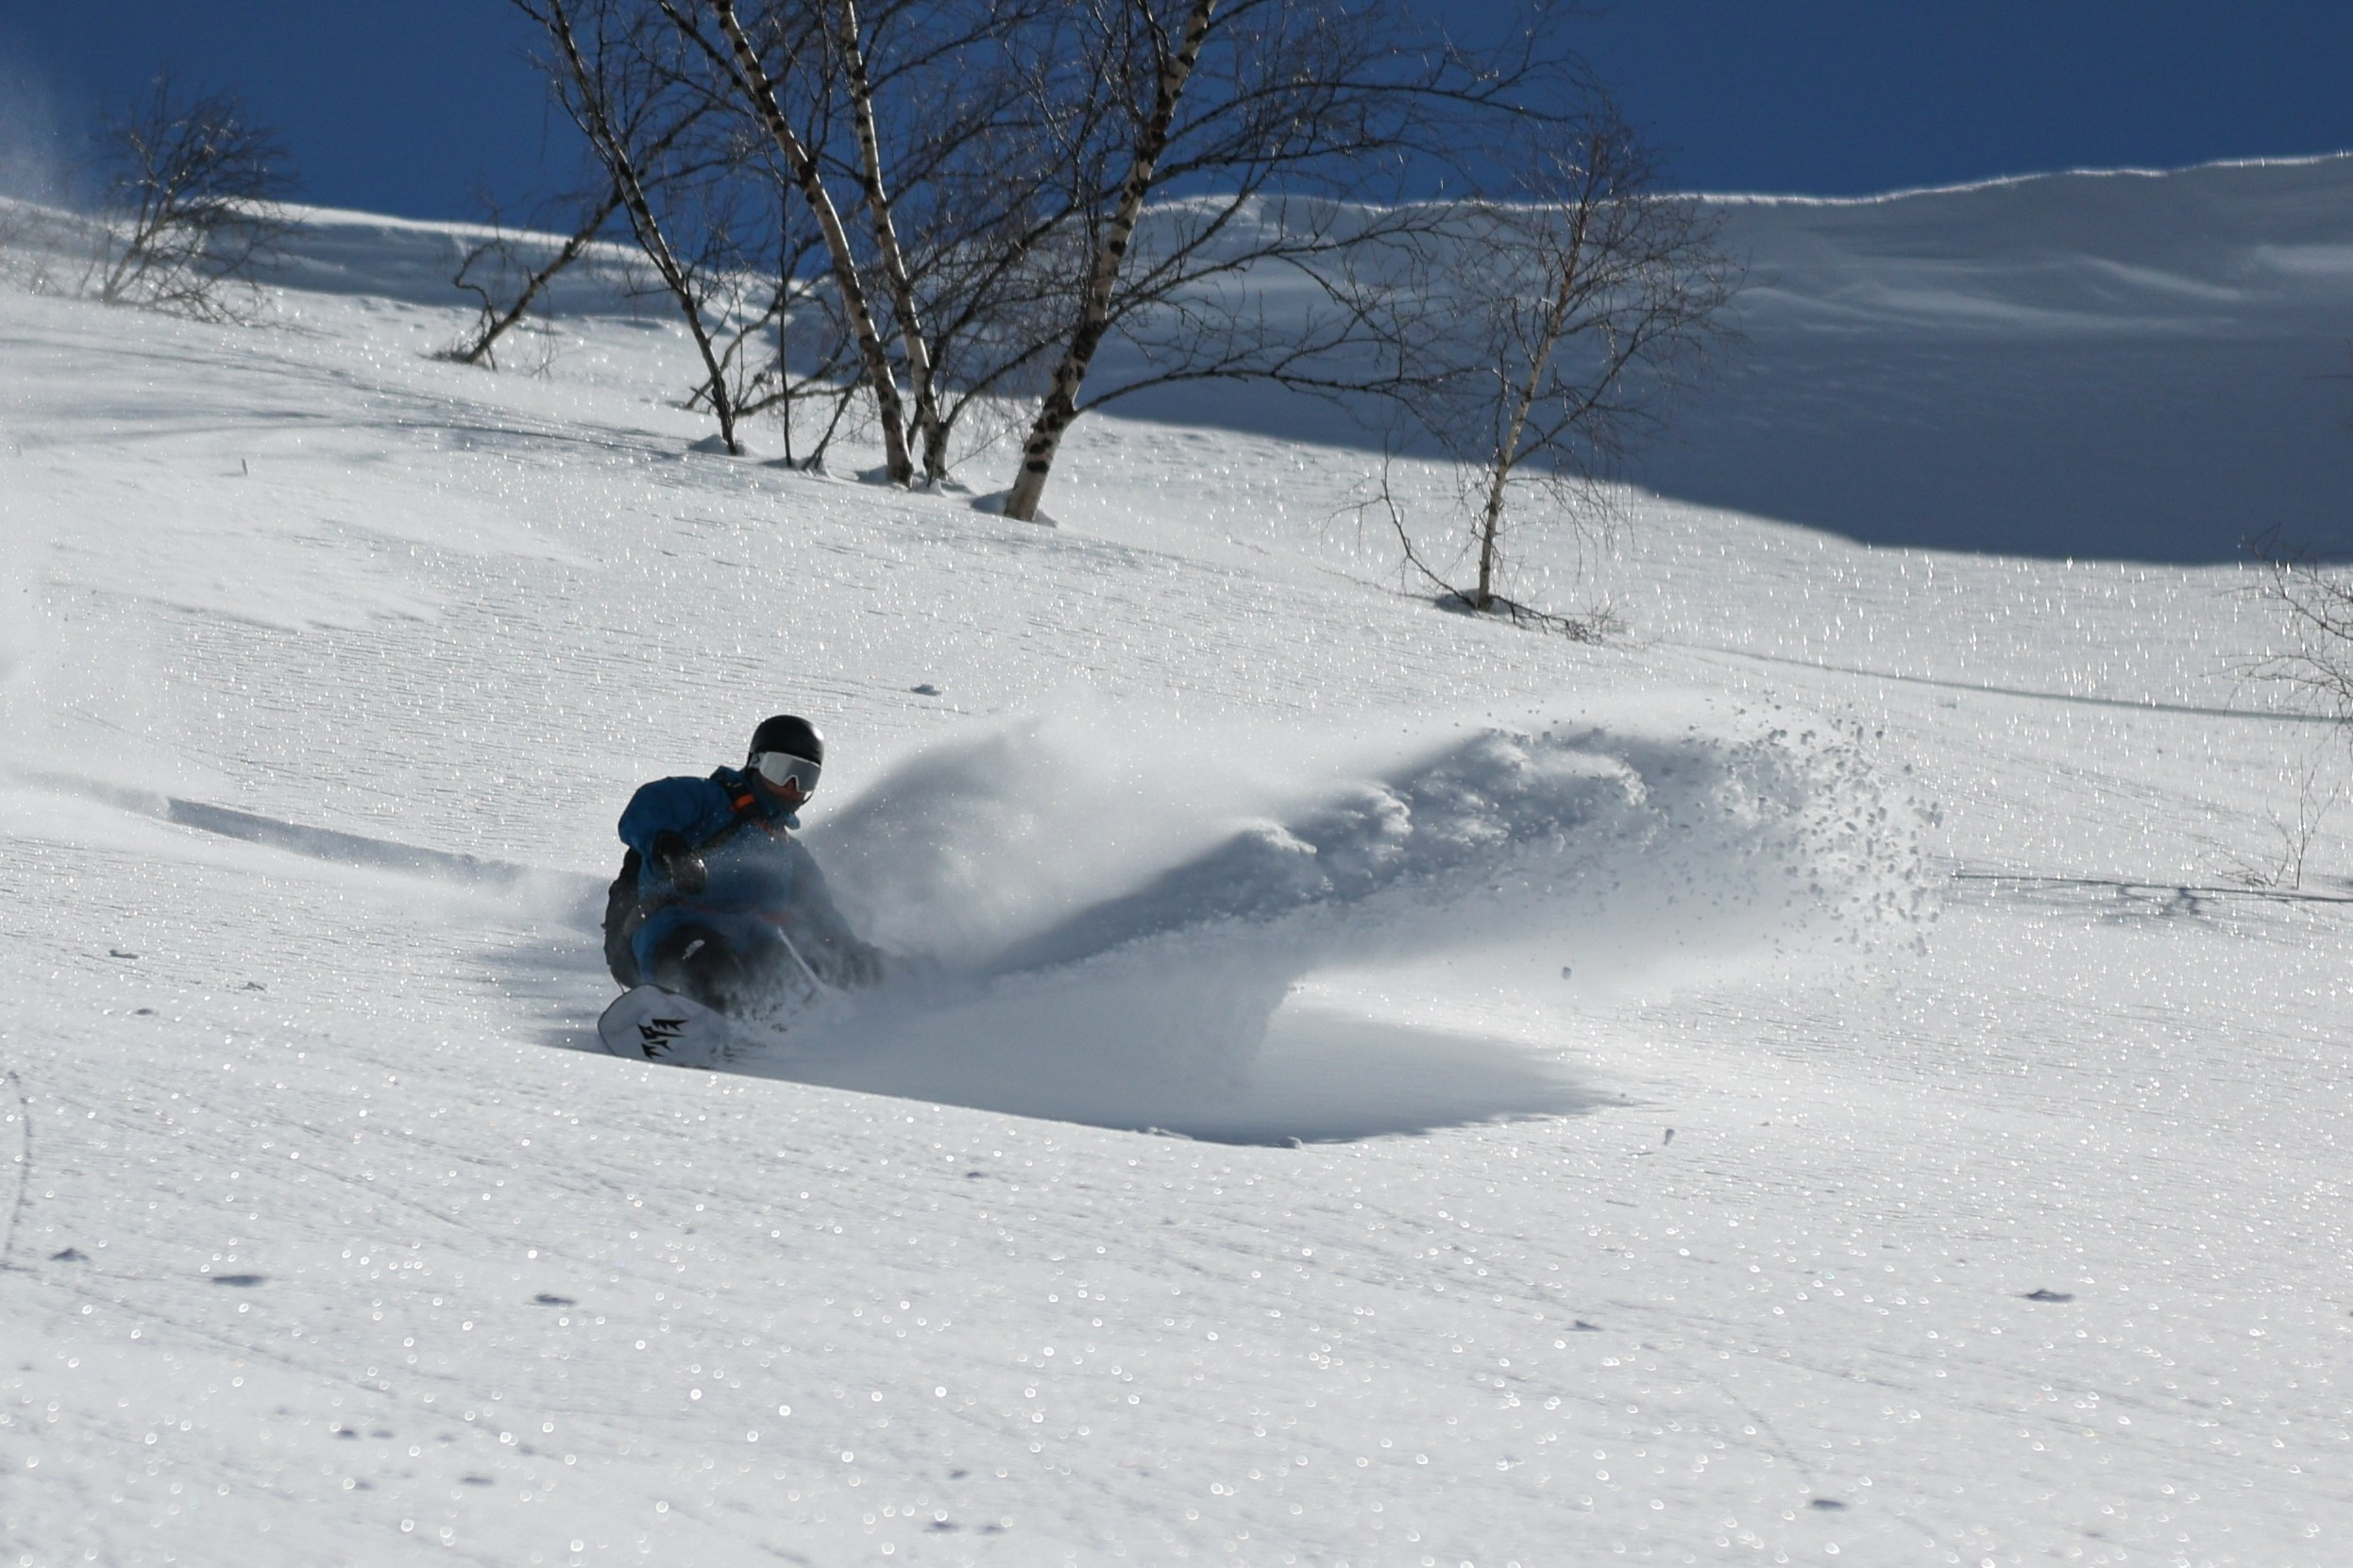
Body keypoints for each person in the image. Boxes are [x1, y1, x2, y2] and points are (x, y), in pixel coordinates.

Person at [606, 714, 885, 1013]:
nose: (792, 787)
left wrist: (872, 967)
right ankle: (714, 1029)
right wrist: (671, 850)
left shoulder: (791, 857)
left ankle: (786, 1041)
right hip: (672, 935)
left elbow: (821, 927)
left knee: (794, 988)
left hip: (750, 946)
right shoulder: (710, 800)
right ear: (756, 763)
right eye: (781, 771)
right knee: (717, 968)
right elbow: (650, 805)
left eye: (805, 777)